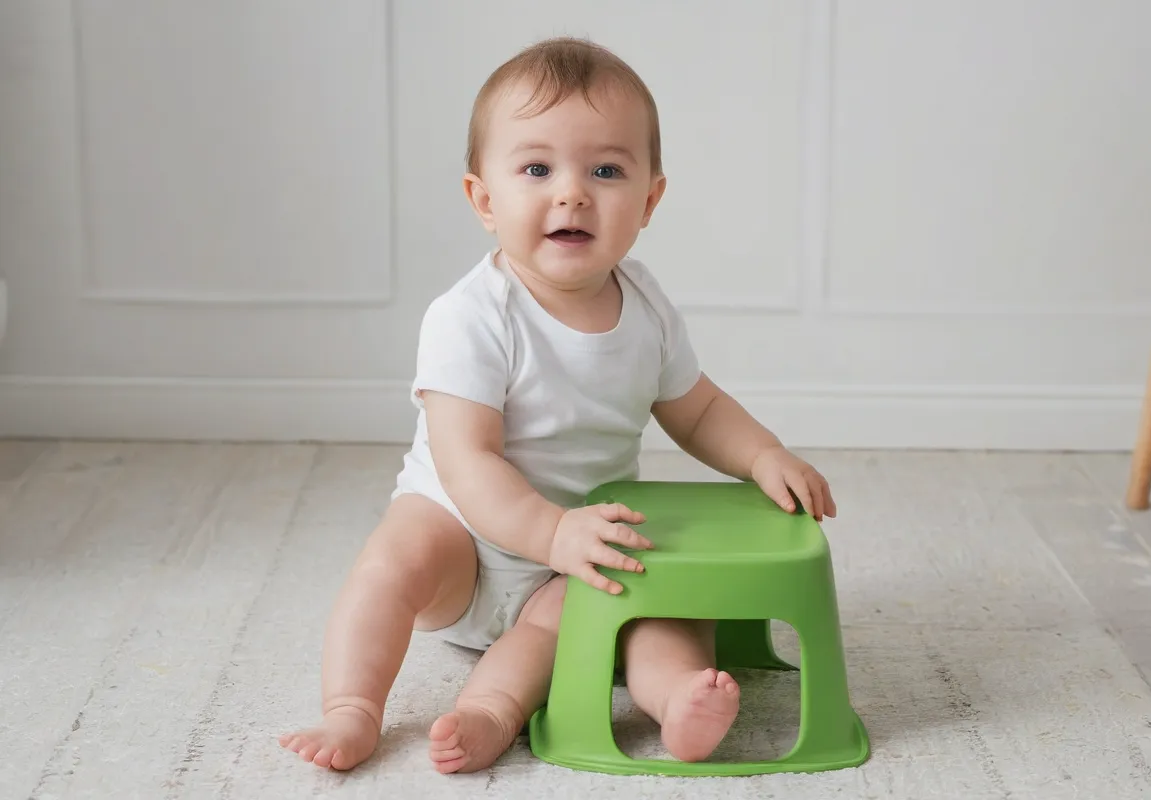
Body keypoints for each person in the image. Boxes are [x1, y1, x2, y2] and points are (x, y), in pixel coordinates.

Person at [280, 35, 836, 774]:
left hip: (578, 547)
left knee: (655, 610)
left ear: (648, 201)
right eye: (537, 168)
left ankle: (620, 705)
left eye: (606, 170)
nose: (571, 192)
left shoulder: (647, 308)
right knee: (392, 559)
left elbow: (697, 409)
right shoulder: (472, 316)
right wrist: (548, 532)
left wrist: (764, 454)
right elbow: (467, 459)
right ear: (484, 199)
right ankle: (352, 708)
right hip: (462, 540)